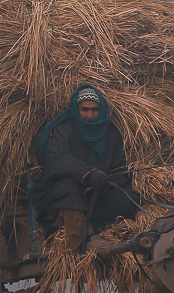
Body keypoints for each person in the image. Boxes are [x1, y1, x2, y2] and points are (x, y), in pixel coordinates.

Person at [30, 84, 139, 251]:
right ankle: (86, 237)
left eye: (94, 110)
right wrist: (89, 174)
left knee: (128, 198)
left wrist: (107, 182)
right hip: (64, 194)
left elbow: (119, 167)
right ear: (76, 109)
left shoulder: (111, 134)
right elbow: (58, 159)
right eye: (84, 110)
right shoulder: (62, 131)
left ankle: (116, 232)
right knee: (69, 190)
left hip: (99, 194)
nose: (90, 115)